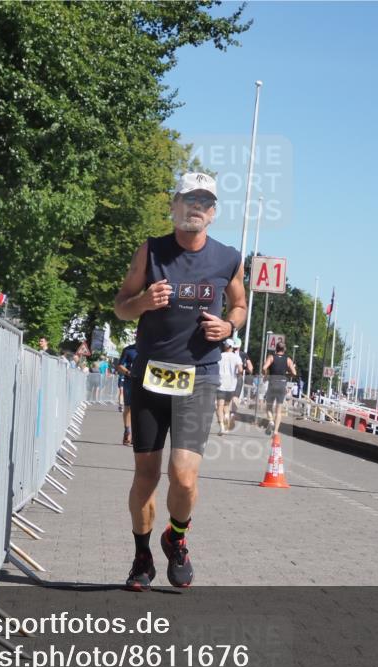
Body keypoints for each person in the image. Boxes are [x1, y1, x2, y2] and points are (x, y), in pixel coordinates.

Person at [113, 172, 246, 591]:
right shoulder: (151, 251)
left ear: (213, 212)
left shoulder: (228, 257)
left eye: (205, 202)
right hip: (151, 376)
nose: (197, 208)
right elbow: (120, 308)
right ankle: (141, 556)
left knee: (184, 477)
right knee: (146, 476)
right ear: (174, 204)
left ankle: (177, 537)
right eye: (189, 200)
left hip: (200, 377)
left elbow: (239, 304)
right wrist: (142, 301)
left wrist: (228, 327)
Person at [262, 342, 298, 436]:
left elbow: (264, 367)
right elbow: (294, 373)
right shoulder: (288, 360)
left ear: (276, 349)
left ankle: (270, 421)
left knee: (268, 407)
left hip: (272, 383)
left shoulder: (271, 357)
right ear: (284, 349)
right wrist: (287, 374)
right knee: (279, 410)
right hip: (282, 384)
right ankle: (276, 431)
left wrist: (266, 374)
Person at [215, 340, 242, 436]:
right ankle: (226, 424)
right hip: (231, 385)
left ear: (225, 346)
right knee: (226, 406)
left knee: (219, 406)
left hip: (221, 384)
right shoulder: (236, 357)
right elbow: (240, 369)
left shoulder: (220, 356)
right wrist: (236, 375)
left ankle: (222, 426)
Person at [116, 337, 139, 444]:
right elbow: (120, 366)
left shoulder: (150, 350)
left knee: (140, 409)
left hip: (144, 383)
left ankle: (137, 434)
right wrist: (128, 373)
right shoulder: (128, 350)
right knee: (128, 407)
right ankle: (127, 431)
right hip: (129, 382)